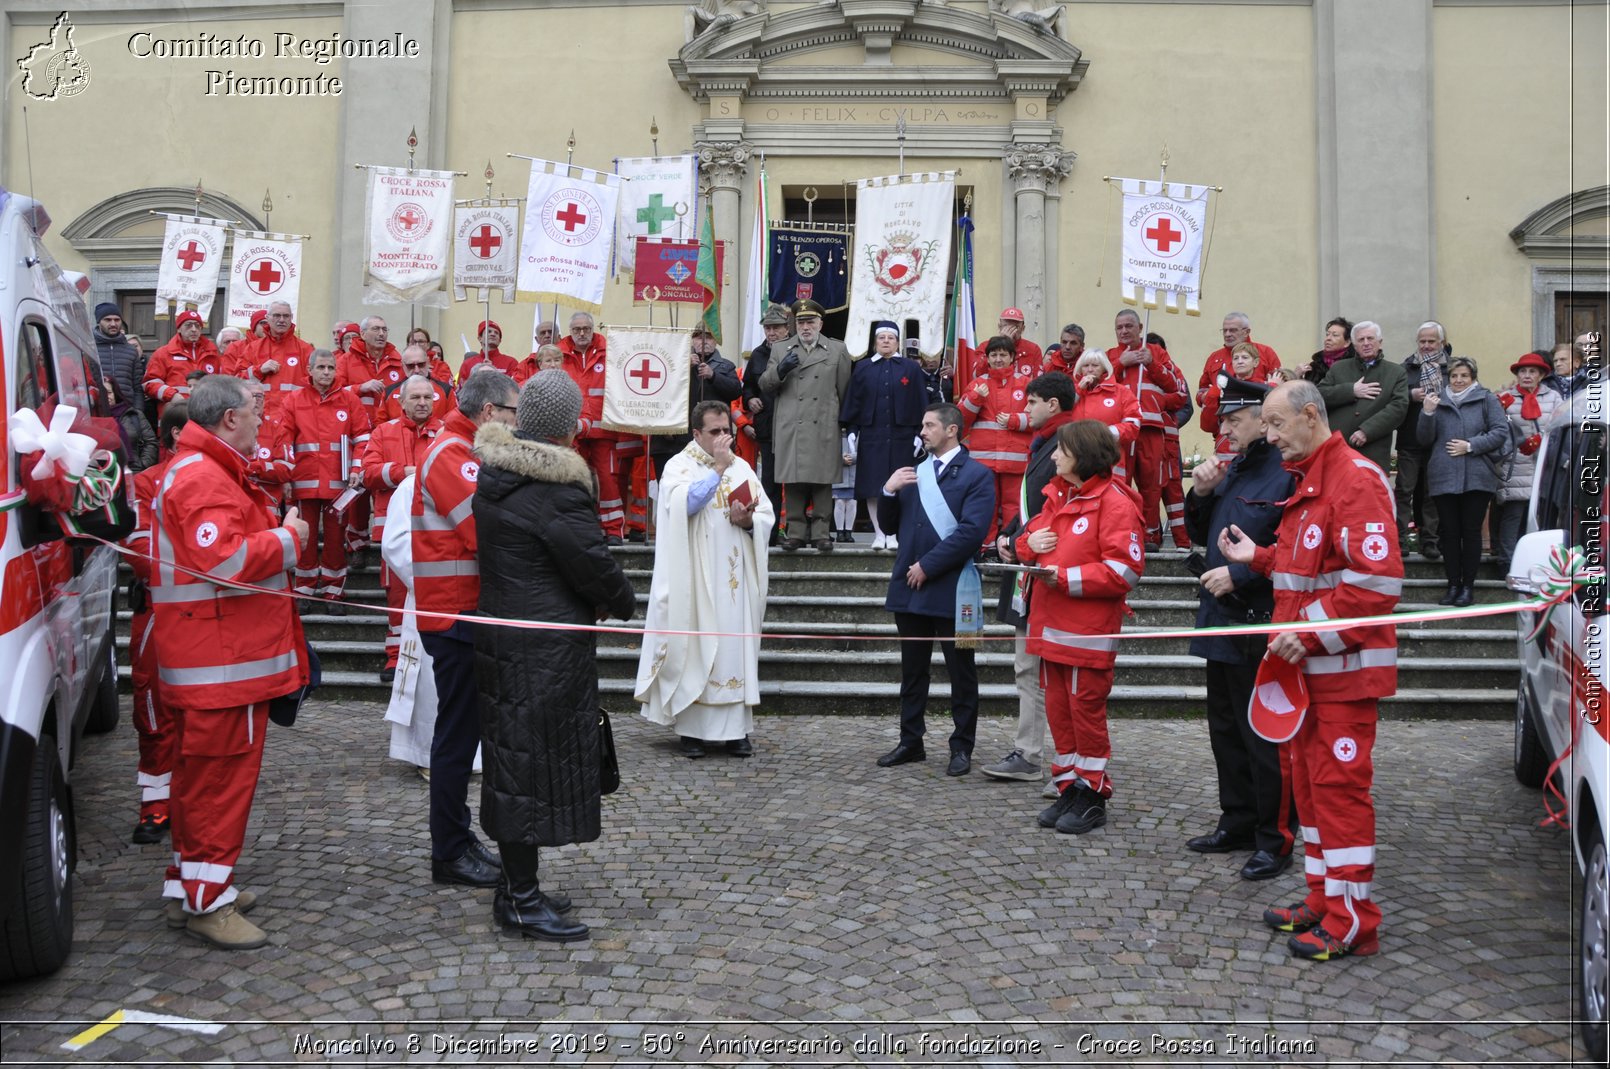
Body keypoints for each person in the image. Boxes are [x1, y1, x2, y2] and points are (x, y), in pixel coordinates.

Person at [1219, 379, 1402, 961]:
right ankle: (1324, 900)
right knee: (1312, 794)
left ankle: (1352, 920)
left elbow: (1376, 583)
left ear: (1308, 416)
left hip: (1343, 675)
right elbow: (1310, 567)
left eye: (1274, 425)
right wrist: (1261, 557)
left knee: (1339, 795)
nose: (1269, 439)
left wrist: (1309, 629)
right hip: (1309, 677)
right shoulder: (1311, 483)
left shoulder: (1354, 479)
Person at [472, 369, 637, 942]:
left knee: (513, 761)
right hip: (543, 647)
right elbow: (592, 567)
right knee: (527, 766)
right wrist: (622, 599)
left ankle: (517, 887)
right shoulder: (555, 492)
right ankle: (519, 899)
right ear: (569, 429)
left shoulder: (496, 475)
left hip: (504, 638)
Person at [150, 374, 311, 949]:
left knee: (199, 782)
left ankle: (190, 886)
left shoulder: (204, 470)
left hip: (216, 657)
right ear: (229, 420)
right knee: (217, 785)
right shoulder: (202, 476)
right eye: (255, 413)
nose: (262, 422)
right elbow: (224, 560)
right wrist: (289, 539)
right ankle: (206, 904)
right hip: (220, 663)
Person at [1183, 376, 1296, 880]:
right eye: (1222, 420)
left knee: (1263, 737)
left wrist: (1244, 573)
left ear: (1261, 418)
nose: (1223, 429)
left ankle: (1275, 837)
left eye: (1233, 420)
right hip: (1220, 617)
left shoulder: (1286, 473)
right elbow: (1202, 531)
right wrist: (1201, 493)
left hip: (1260, 618)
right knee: (1225, 729)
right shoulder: (1233, 468)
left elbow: (1294, 547)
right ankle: (1238, 820)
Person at [412, 367, 520, 888]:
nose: (517, 424)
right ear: (489, 414)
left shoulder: (462, 446)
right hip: (455, 614)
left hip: (465, 611)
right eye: (513, 414)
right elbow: (484, 532)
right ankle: (449, 851)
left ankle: (459, 838)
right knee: (456, 739)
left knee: (465, 734)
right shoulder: (452, 453)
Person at [1015, 420, 1145, 836]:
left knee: (1085, 714)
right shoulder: (1057, 496)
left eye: (1061, 450)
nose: (1052, 456)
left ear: (1083, 456)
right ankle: (1069, 786)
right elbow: (1029, 539)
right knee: (1059, 712)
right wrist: (1025, 546)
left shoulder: (1116, 502)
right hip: (1050, 628)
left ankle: (1092, 794)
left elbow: (1125, 570)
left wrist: (1066, 579)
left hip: (1086, 632)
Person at [637, 400, 774, 756]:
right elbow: (686, 504)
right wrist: (716, 470)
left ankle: (736, 731)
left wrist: (749, 522)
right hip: (693, 579)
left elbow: (766, 515)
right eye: (714, 432)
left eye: (727, 430)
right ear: (696, 433)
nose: (723, 438)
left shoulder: (742, 466)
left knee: (731, 648)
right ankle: (693, 731)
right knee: (695, 648)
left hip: (732, 579)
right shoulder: (678, 466)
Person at [875, 403, 994, 776]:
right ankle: (911, 741)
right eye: (923, 425)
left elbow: (971, 533)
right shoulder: (915, 473)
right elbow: (890, 527)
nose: (922, 431)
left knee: (962, 671)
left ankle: (961, 746)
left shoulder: (978, 475)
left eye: (929, 425)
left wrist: (928, 565)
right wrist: (888, 491)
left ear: (952, 430)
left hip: (954, 589)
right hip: (910, 590)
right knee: (913, 672)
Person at [981, 371, 1077, 791]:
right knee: (1027, 668)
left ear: (1052, 404)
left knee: (1039, 671)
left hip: (1045, 571)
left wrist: (1021, 538)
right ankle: (1031, 752)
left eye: (1032, 403)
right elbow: (1033, 505)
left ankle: (1053, 759)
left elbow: (1059, 510)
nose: (1026, 411)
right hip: (1027, 563)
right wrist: (1010, 535)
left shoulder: (1068, 445)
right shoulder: (1046, 444)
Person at [124, 401, 188, 844]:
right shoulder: (145, 483)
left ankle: (192, 803)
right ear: (176, 434)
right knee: (152, 708)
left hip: (206, 615)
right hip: (158, 612)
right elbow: (142, 552)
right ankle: (155, 806)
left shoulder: (224, 477)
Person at [362, 374, 442, 680]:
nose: (422, 403)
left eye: (428, 397)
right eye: (416, 398)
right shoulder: (384, 432)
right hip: (394, 528)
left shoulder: (444, 432)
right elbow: (368, 473)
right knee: (396, 595)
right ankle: (395, 657)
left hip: (435, 527)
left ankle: (429, 652)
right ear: (402, 402)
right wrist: (402, 472)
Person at [758, 299, 854, 552]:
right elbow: (765, 385)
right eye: (801, 322)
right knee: (794, 481)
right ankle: (796, 532)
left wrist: (844, 425)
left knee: (823, 481)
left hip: (824, 422)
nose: (806, 327)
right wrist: (780, 369)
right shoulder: (780, 349)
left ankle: (822, 533)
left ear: (820, 324)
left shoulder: (837, 350)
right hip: (792, 425)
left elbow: (844, 389)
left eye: (810, 322)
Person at [281, 349, 371, 610]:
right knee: (303, 537)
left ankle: (334, 590)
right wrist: (286, 474)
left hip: (339, 484)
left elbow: (362, 437)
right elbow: (284, 440)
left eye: (331, 368)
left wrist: (356, 469)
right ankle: (305, 589)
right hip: (304, 481)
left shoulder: (349, 400)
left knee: (335, 538)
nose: (326, 373)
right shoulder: (293, 400)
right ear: (309, 369)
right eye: (321, 367)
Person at [1417, 356, 1509, 607]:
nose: (1458, 380)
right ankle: (1452, 585)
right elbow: (1424, 440)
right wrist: (1427, 412)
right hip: (1444, 475)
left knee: (1470, 532)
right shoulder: (1436, 400)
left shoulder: (1487, 399)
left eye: (1464, 376)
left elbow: (1500, 432)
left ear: (1473, 378)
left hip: (1477, 476)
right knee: (1449, 533)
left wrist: (1471, 446)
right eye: (1455, 376)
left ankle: (1467, 586)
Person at [839, 322, 928, 550]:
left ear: (898, 342)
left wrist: (921, 433)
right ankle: (879, 534)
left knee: (902, 486)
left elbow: (921, 402)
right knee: (873, 486)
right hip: (872, 435)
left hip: (903, 435)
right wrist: (852, 431)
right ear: (875, 342)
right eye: (882, 338)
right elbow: (854, 403)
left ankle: (895, 534)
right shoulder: (862, 368)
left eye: (891, 337)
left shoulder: (911, 368)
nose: (886, 341)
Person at [1106, 309, 1188, 549]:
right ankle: (1121, 535)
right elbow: (1099, 384)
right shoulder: (1110, 356)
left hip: (1151, 429)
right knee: (1119, 483)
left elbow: (1177, 387)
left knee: (1152, 484)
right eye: (1119, 327)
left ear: (1140, 328)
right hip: (1120, 432)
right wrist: (1121, 363)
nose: (1124, 331)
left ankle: (1151, 535)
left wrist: (1152, 364)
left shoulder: (1156, 352)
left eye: (1129, 326)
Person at [557, 312, 630, 544]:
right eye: (577, 329)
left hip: (603, 429)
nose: (581, 333)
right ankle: (579, 528)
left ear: (593, 329)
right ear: (570, 331)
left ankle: (613, 530)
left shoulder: (611, 353)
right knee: (572, 478)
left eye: (586, 328)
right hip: (571, 430)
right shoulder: (558, 354)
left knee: (608, 480)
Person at [958, 335, 1033, 550]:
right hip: (983, 462)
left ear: (1012, 358)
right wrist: (975, 399)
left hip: (1016, 461)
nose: (998, 359)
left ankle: (1010, 547)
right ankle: (988, 548)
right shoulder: (978, 384)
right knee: (986, 505)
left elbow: (1040, 417)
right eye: (994, 355)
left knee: (1013, 507)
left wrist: (1015, 420)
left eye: (1003, 355)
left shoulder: (1026, 384)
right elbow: (961, 420)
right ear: (988, 358)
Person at [1494, 352, 1565, 570]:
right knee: (1513, 516)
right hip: (1517, 467)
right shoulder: (1505, 398)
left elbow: (1560, 428)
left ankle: (1538, 565)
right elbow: (1499, 430)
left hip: (1545, 466)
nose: (1526, 375)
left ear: (1542, 375)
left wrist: (1544, 441)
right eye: (1522, 371)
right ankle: (1507, 563)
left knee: (1540, 517)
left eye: (1532, 371)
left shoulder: (1553, 397)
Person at [648, 325, 742, 477]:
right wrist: (682, 366)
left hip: (712, 439)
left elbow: (735, 391)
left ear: (716, 341)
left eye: (709, 337)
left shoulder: (726, 365)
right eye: (699, 336)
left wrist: (714, 376)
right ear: (692, 340)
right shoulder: (673, 360)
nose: (704, 341)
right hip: (676, 438)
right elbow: (659, 388)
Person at [1315, 321, 1408, 474]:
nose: (1366, 343)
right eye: (1360, 340)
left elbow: (1398, 407)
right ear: (1354, 345)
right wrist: (1351, 390)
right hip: (1338, 448)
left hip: (1373, 451)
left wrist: (1367, 431)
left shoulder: (1396, 372)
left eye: (1370, 338)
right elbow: (1319, 395)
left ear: (1380, 342)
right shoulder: (1339, 368)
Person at [1393, 321, 1451, 561]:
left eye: (1431, 341)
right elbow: (1392, 397)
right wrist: (1409, 395)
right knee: (1404, 491)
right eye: (1422, 341)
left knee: (1431, 494)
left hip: (1440, 439)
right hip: (1409, 439)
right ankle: (1400, 539)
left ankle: (1430, 542)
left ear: (1442, 343)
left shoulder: (1453, 369)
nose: (1426, 346)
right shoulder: (1405, 368)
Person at [740, 304, 792, 542]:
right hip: (767, 426)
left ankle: (792, 531)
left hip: (793, 425)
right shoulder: (758, 355)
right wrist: (750, 399)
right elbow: (748, 384)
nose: (771, 333)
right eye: (768, 328)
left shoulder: (796, 349)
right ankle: (770, 533)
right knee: (769, 482)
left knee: (793, 482)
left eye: (776, 328)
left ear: (786, 328)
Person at [1067, 350, 1141, 478]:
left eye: (1095, 366)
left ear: (1104, 368)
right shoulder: (1071, 392)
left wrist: (1103, 434)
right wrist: (1078, 391)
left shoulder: (1121, 392)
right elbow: (1060, 415)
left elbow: (1133, 425)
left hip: (1110, 462)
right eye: (1086, 366)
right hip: (1077, 461)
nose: (1090, 370)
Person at [234, 300, 314, 417]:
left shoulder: (305, 350)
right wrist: (259, 370)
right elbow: (237, 382)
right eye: (277, 315)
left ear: (291, 318)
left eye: (286, 316)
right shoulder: (253, 348)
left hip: (293, 420)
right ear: (268, 318)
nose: (281, 320)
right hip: (260, 420)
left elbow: (315, 387)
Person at [144, 310, 223, 418]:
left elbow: (221, 386)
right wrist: (172, 395)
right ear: (179, 329)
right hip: (175, 415)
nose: (194, 329)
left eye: (197, 326)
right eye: (188, 325)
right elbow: (149, 384)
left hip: (206, 416)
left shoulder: (213, 354)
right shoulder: (163, 353)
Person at [1198, 312, 1280, 407]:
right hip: (1216, 418)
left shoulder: (1266, 353)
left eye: (1233, 330)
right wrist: (1205, 396)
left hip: (1254, 416)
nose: (1227, 334)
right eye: (1225, 330)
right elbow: (1202, 390)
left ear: (1246, 332)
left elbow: (1280, 389)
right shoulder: (1214, 357)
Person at [339, 316, 406, 427]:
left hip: (390, 429)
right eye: (376, 329)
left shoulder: (399, 361)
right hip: (357, 428)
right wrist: (361, 388)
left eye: (384, 330)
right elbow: (335, 394)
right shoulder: (346, 360)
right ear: (363, 334)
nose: (381, 334)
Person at [380, 345, 454, 423]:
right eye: (410, 366)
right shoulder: (389, 392)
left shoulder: (446, 391)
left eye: (421, 364)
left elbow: (453, 421)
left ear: (428, 362)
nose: (417, 370)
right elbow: (380, 424)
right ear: (403, 365)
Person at [95, 302, 145, 415]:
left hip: (126, 412)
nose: (113, 324)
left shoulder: (130, 350)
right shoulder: (89, 348)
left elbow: (137, 386)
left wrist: (138, 411)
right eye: (107, 320)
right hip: (98, 412)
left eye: (117, 320)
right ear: (99, 322)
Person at [966, 307, 1041, 381]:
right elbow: (977, 374)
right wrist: (1001, 343)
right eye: (1006, 326)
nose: (1011, 331)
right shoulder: (984, 347)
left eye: (1015, 327)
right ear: (999, 327)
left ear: (1023, 328)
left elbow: (1039, 382)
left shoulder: (1033, 349)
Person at [106, 376, 159, 472]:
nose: (106, 396)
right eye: (102, 393)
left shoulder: (133, 414)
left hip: (134, 472)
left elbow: (151, 442)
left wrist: (142, 465)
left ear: (115, 394)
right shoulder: (91, 417)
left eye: (109, 392)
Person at [1304, 317, 1355, 384]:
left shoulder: (1354, 363)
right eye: (1327, 334)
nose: (1328, 338)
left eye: (1335, 335)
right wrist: (1297, 375)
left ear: (1347, 342)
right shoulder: (1315, 365)